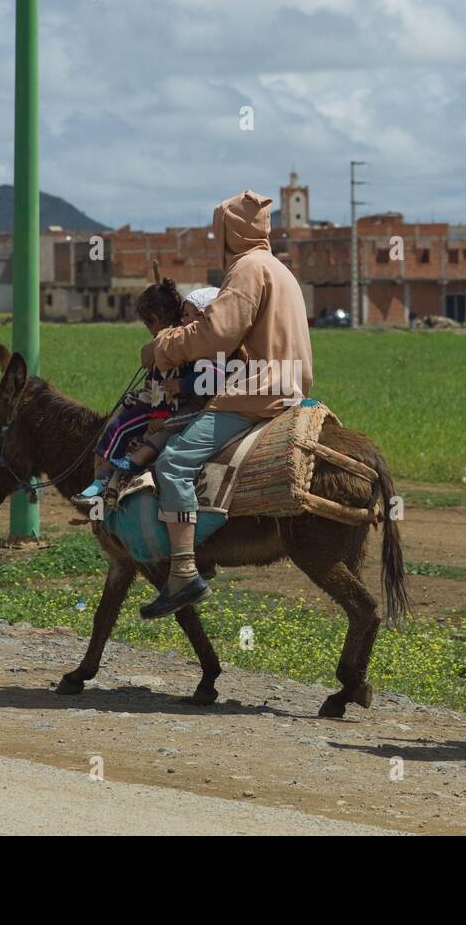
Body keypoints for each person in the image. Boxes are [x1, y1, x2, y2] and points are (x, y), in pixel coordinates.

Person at [137, 190, 313, 620]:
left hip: (258, 392)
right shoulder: (277, 268)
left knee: (173, 462)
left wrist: (162, 346)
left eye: (218, 229)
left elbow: (216, 335)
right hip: (291, 386)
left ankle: (182, 572)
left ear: (228, 232)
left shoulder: (248, 269)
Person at [71, 279, 188, 507]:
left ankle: (102, 481)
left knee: (118, 427)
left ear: (154, 320)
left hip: (162, 406)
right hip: (156, 401)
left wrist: (158, 414)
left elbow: (163, 382)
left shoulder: (168, 344)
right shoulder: (178, 337)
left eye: (148, 324)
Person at [109, 287, 221, 476]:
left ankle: (138, 459)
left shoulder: (214, 347)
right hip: (190, 399)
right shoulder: (191, 342)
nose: (183, 320)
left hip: (204, 404)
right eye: (182, 315)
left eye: (187, 315)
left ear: (203, 316)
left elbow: (211, 378)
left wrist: (181, 385)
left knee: (165, 426)